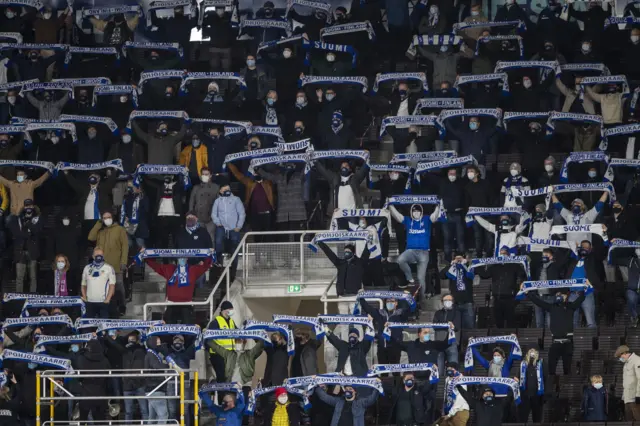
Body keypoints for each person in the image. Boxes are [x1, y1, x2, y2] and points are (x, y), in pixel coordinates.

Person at [527, 286, 588, 375]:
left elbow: (581, 298)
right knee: (551, 370)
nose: (559, 296)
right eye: (557, 294)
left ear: (566, 296)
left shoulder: (571, 306)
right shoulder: (552, 307)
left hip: (568, 344)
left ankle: (566, 387)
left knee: (567, 370)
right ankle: (551, 386)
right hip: (555, 343)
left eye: (561, 294)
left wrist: (585, 289)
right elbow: (538, 302)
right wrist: (528, 293)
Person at [143, 252, 213, 324]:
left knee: (189, 328)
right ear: (177, 258)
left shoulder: (193, 270)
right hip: (171, 304)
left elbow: (205, 266)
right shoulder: (169, 269)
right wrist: (146, 255)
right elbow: (156, 266)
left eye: (184, 257)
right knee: (167, 329)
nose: (182, 259)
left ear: (187, 258)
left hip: (186, 305)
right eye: (180, 257)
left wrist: (210, 254)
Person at [388, 203, 441, 298]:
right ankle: (410, 278)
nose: (416, 213)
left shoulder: (426, 219)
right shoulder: (408, 220)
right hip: (410, 251)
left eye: (418, 211)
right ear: (411, 212)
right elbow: (398, 217)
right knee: (400, 260)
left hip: (424, 253)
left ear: (421, 212)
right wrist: (391, 206)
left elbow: (434, 217)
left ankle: (422, 298)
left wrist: (437, 206)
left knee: (421, 278)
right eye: (414, 211)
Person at [102, 331, 149, 422]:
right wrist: (105, 335)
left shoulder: (142, 350)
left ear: (137, 340)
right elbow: (114, 344)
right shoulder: (124, 350)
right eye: (130, 339)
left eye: (133, 338)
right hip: (128, 385)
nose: (131, 340)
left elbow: (150, 344)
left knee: (144, 410)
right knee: (128, 412)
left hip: (140, 384)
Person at [87, 211, 129, 314]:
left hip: (116, 264)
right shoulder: (101, 231)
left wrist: (123, 261)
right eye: (104, 218)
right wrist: (99, 223)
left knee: (118, 286)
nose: (107, 219)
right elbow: (90, 237)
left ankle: (122, 306)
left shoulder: (120, 229)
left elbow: (125, 246)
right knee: (103, 287)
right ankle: (108, 308)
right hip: (102, 266)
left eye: (108, 217)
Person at [357, 293, 407, 365]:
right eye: (388, 301)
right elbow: (368, 308)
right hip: (382, 348)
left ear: (396, 303)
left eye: (392, 301)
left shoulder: (401, 314)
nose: (389, 303)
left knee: (396, 373)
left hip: (395, 348)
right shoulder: (380, 313)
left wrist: (406, 297)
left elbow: (410, 309)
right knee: (383, 373)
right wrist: (361, 297)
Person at [211, 184, 245, 278]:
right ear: (220, 191)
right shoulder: (217, 201)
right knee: (218, 245)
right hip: (221, 227)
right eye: (224, 189)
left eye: (228, 189)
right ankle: (219, 268)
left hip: (234, 228)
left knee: (234, 249)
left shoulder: (236, 199)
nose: (227, 190)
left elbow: (241, 213)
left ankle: (233, 272)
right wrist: (218, 223)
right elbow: (214, 214)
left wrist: (239, 226)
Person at [9, 203, 44, 293]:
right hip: (20, 252)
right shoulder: (18, 218)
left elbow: (37, 231)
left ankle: (33, 296)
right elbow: (15, 233)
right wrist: (27, 233)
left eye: (30, 206)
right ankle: (19, 298)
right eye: (27, 206)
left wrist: (29, 224)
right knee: (19, 277)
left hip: (32, 252)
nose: (28, 208)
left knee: (33, 277)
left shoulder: (38, 218)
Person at [76, 340, 112, 422]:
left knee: (82, 420)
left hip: (86, 393)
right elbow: (109, 376)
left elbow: (78, 376)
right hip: (100, 394)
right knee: (100, 420)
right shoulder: (104, 360)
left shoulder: (81, 358)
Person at [315, 383, 379, 426]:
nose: (348, 391)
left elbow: (372, 399)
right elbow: (324, 397)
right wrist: (318, 387)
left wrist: (377, 387)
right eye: (346, 389)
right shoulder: (338, 401)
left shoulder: (360, 402)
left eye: (350, 389)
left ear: (355, 392)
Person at [439, 254, 475, 329]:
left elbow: (473, 273)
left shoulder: (469, 267)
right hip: (455, 304)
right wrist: (451, 265)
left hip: (467, 303)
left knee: (469, 328)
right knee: (456, 328)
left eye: (460, 259)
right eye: (457, 259)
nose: (458, 261)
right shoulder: (452, 269)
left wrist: (465, 264)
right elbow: (441, 275)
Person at [81, 247, 116, 319]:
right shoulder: (87, 268)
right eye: (97, 254)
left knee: (103, 326)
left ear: (103, 256)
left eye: (100, 254)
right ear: (93, 256)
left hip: (103, 302)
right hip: (90, 302)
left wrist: (107, 299)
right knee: (88, 325)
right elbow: (83, 284)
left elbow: (112, 285)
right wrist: (84, 297)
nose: (98, 256)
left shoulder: (109, 268)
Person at [207, 301, 236, 383]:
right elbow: (208, 340)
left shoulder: (231, 322)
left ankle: (226, 395)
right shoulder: (215, 323)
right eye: (230, 309)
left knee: (228, 378)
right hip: (218, 355)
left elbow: (237, 332)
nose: (232, 311)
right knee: (222, 378)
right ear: (224, 310)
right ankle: (221, 395)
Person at [188, 167, 219, 242]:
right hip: (197, 217)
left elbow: (219, 202)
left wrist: (217, 216)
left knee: (211, 238)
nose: (204, 176)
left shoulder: (216, 187)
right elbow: (191, 201)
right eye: (203, 174)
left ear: (210, 175)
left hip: (211, 218)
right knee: (197, 238)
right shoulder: (196, 188)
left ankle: (211, 253)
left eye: (206, 174)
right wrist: (191, 214)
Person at [145, 336, 169, 422]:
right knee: (163, 415)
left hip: (152, 388)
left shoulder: (151, 354)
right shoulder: (151, 355)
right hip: (156, 388)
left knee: (152, 417)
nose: (160, 345)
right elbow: (157, 367)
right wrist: (168, 366)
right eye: (158, 343)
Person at [433, 294, 462, 365]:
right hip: (439, 342)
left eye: (449, 300)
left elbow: (456, 327)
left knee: (453, 367)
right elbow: (435, 326)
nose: (447, 302)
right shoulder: (438, 313)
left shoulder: (457, 313)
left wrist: (442, 325)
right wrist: (447, 324)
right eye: (445, 300)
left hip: (451, 342)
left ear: (453, 301)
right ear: (442, 302)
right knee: (438, 368)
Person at [519, 348, 545, 423]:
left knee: (537, 419)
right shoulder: (522, 364)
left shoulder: (541, 363)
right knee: (523, 418)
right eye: (530, 351)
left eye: (534, 352)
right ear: (527, 353)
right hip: (525, 396)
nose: (532, 354)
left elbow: (545, 378)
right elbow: (518, 377)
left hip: (537, 396)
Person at [616, 345, 640, 421]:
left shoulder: (637, 360)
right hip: (628, 398)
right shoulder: (626, 364)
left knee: (638, 419)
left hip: (635, 398)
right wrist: (623, 397)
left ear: (625, 353)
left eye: (620, 356)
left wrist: (638, 395)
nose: (620, 359)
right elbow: (627, 381)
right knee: (628, 421)